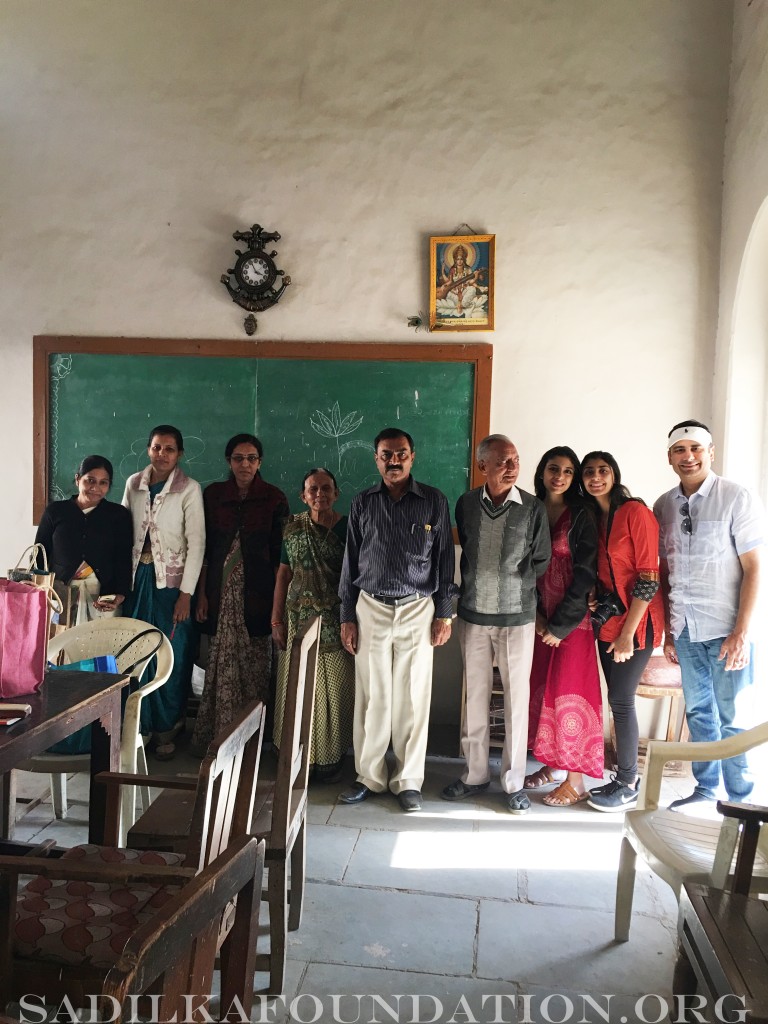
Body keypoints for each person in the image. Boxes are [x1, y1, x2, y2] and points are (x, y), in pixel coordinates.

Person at [338, 428, 454, 812]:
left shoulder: (434, 501)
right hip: (369, 606)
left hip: (417, 608)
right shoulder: (362, 503)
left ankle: (408, 780)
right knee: (373, 696)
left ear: (412, 456)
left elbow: (444, 562)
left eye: (401, 453)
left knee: (413, 697)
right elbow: (350, 559)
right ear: (376, 459)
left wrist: (445, 613)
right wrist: (347, 615)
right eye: (386, 454)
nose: (394, 460)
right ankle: (369, 776)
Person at [655, 420, 764, 810]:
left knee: (734, 718)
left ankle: (741, 801)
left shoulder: (737, 497)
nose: (688, 457)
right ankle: (706, 790)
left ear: (711, 453)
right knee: (699, 712)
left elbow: (754, 568)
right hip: (685, 630)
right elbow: (665, 573)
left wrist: (741, 631)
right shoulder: (663, 505)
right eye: (680, 450)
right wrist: (669, 631)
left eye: (696, 449)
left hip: (726, 628)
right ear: (669, 457)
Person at [442, 435, 551, 815]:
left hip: (517, 618)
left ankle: (513, 782)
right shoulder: (466, 504)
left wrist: (514, 591)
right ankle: (473, 776)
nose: (511, 467)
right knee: (476, 696)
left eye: (516, 460)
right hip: (473, 615)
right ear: (482, 466)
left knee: (516, 702)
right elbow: (467, 551)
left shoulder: (533, 508)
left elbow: (540, 560)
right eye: (502, 461)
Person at [193, 433, 289, 753]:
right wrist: (203, 595)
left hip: (259, 596)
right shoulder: (214, 495)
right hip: (220, 595)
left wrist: (278, 607)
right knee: (219, 662)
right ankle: (219, 733)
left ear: (260, 462)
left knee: (256, 665)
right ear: (228, 461)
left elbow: (281, 559)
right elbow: (205, 549)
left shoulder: (274, 498)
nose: (244, 464)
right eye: (238, 458)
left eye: (251, 458)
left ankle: (254, 738)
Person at [581, 451, 664, 812]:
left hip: (637, 623)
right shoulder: (593, 518)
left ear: (614, 474)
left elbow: (648, 578)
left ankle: (628, 782)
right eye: (589, 472)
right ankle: (623, 777)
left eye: (603, 471)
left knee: (621, 700)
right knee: (614, 698)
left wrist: (629, 634)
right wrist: (595, 597)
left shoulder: (635, 512)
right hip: (608, 622)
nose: (596, 477)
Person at [525, 446, 604, 807]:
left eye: (569, 471)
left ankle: (577, 780)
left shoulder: (581, 515)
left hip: (572, 618)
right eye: (554, 468)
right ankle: (552, 766)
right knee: (542, 689)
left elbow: (586, 571)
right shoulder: (529, 509)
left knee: (570, 691)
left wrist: (560, 624)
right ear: (542, 472)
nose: (560, 476)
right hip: (537, 613)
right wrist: (538, 617)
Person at [122, 424, 205, 759]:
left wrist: (186, 594)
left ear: (179, 454)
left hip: (171, 586)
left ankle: (167, 728)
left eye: (169, 449)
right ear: (148, 449)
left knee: (171, 652)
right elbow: (121, 529)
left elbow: (197, 542)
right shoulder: (134, 484)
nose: (162, 454)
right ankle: (136, 727)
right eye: (157, 447)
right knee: (134, 653)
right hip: (135, 580)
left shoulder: (189, 489)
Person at [271, 468, 354, 781]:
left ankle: (329, 759)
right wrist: (276, 619)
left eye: (326, 489)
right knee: (297, 686)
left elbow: (353, 577)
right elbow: (283, 574)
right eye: (313, 490)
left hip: (334, 619)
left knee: (331, 689)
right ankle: (293, 757)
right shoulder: (292, 528)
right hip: (295, 621)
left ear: (336, 493)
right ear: (303, 496)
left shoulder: (348, 528)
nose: (319, 494)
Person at [35, 454, 133, 625]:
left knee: (99, 646)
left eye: (103, 482)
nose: (96, 487)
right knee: (61, 646)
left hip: (103, 596)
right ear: (77, 479)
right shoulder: (56, 511)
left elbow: (123, 557)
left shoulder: (118, 515)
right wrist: (41, 590)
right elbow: (40, 552)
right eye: (90, 480)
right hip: (59, 594)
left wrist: (120, 593)